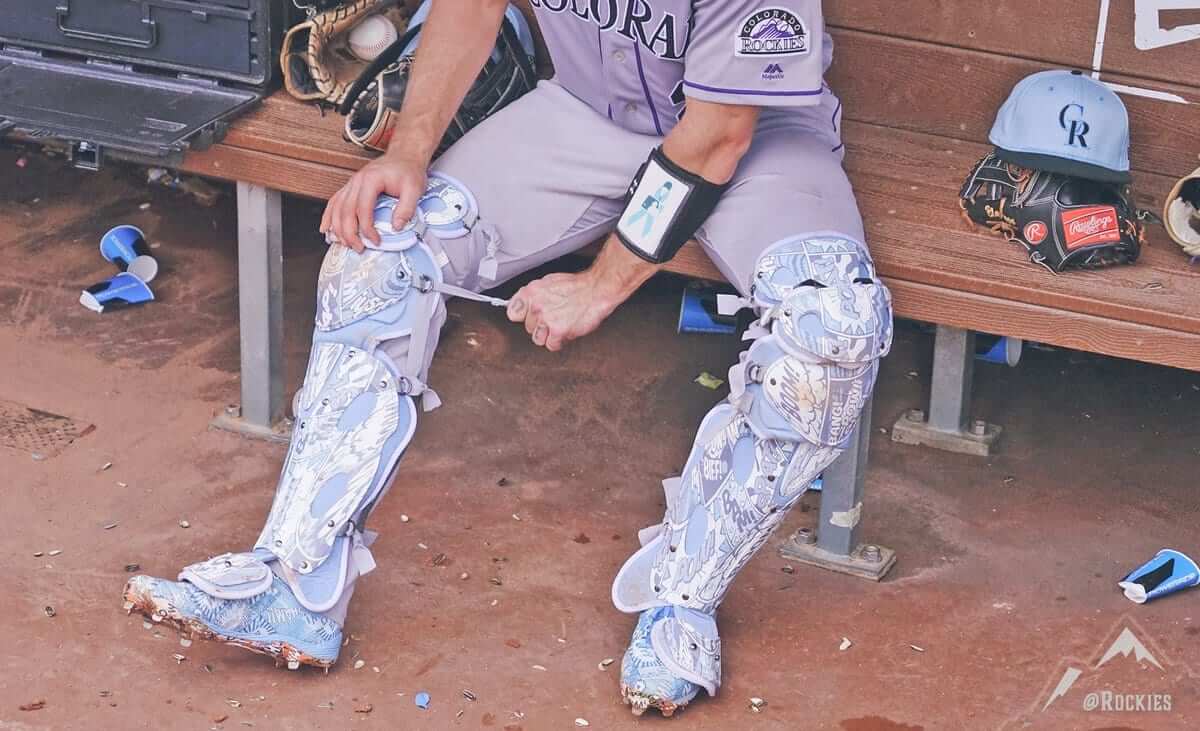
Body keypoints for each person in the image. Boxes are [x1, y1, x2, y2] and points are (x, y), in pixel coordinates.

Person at [122, 0, 892, 717]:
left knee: (834, 321)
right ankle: (295, 577)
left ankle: (683, 596)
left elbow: (719, 133)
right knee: (379, 255)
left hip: (755, 141)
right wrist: (413, 153)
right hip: (586, 120)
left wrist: (600, 284)